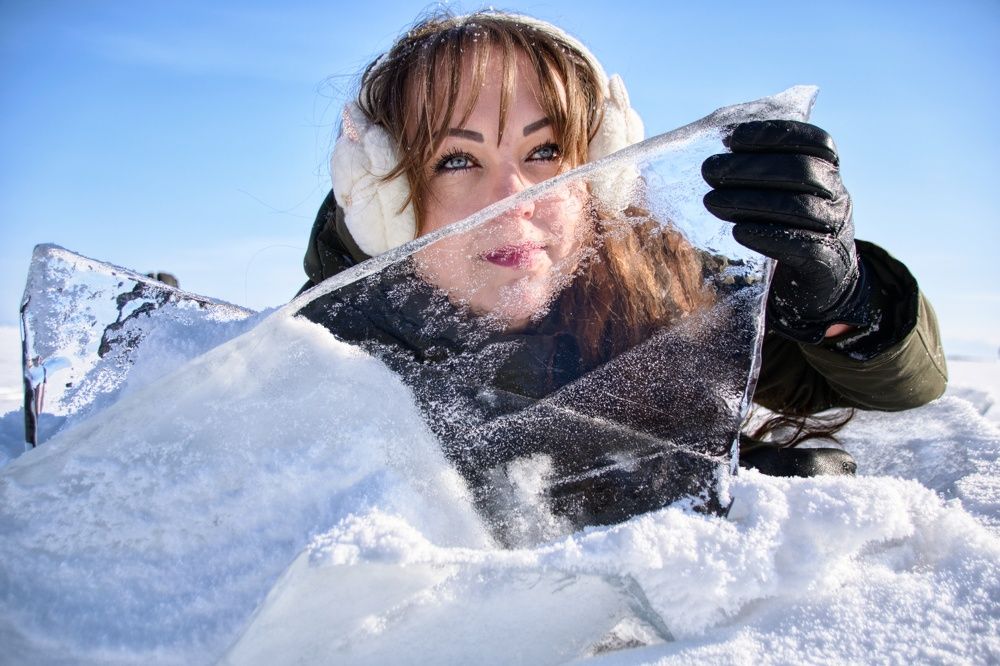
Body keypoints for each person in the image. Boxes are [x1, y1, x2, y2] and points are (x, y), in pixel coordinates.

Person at [295, 11, 946, 539]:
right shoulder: (317, 361)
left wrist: (845, 302)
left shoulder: (653, 278)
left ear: (600, 174)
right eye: (457, 160)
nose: (512, 197)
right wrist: (643, 499)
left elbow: (898, 387)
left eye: (546, 152)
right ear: (387, 198)